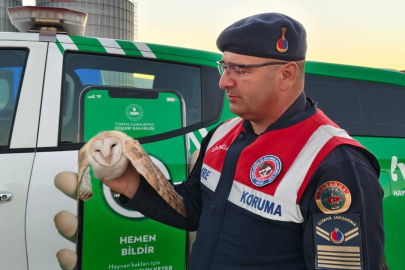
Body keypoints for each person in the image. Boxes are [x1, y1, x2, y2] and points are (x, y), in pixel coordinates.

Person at [56, 13, 384, 270]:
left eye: (240, 70)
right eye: (224, 66)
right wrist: (127, 182)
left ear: (286, 74)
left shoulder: (335, 164)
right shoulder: (223, 134)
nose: (223, 81)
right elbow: (193, 210)